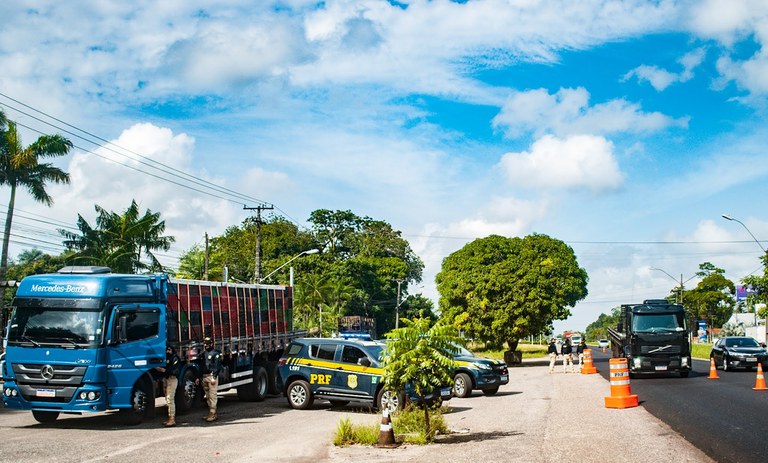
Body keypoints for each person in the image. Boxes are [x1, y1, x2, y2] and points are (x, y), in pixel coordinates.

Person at [156, 345, 182, 427]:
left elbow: (176, 370)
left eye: (169, 350)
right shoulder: (167, 359)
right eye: (166, 350)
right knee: (167, 399)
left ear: (172, 350)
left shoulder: (175, 358)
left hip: (172, 379)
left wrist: (166, 370)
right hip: (167, 379)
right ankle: (169, 417)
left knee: (170, 399)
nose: (167, 351)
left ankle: (172, 419)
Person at [198, 337, 222, 422]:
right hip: (204, 377)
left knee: (212, 396)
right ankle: (212, 413)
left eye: (207, 344)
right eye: (205, 344)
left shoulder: (216, 354)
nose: (206, 345)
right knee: (208, 396)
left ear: (212, 344)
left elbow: (217, 366)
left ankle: (212, 413)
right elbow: (201, 366)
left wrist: (214, 377)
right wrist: (199, 377)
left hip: (211, 376)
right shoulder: (203, 354)